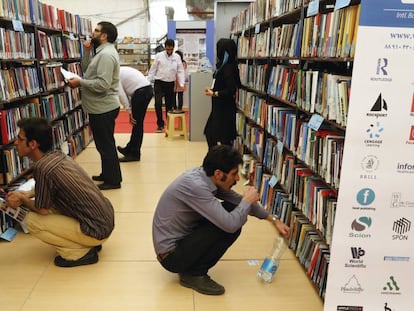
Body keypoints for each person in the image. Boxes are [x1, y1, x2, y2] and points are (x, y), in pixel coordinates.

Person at [152, 145, 290, 295]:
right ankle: (194, 274)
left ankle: (191, 268)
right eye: (234, 174)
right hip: (171, 256)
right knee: (233, 223)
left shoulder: (206, 176)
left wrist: (273, 220)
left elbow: (237, 200)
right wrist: (247, 202)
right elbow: (231, 224)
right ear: (218, 174)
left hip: (182, 241)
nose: (238, 179)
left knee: (233, 209)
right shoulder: (197, 187)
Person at [6, 118, 115, 267]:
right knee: (53, 206)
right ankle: (88, 242)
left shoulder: (42, 168)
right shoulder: (57, 155)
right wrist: (26, 195)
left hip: (96, 230)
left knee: (32, 221)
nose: (16, 143)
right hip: (104, 221)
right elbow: (49, 187)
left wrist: (23, 200)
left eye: (20, 139)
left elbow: (42, 210)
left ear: (33, 144)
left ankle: (80, 252)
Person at [68, 21, 122, 190]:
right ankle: (107, 174)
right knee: (103, 144)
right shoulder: (100, 52)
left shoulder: (106, 55)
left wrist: (80, 83)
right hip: (100, 106)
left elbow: (102, 84)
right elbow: (87, 69)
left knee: (106, 145)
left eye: (96, 31)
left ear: (104, 36)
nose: (93, 33)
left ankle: (113, 180)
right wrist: (86, 52)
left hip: (103, 107)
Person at [204, 38, 241, 149]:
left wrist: (214, 93)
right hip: (218, 108)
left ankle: (220, 162)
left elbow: (231, 90)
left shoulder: (228, 67)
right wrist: (212, 90)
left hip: (224, 109)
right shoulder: (224, 65)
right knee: (211, 134)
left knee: (221, 138)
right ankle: (215, 160)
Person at [117, 66, 154, 162]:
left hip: (141, 92)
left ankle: (134, 153)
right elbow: (128, 93)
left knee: (137, 124)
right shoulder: (121, 70)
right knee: (137, 123)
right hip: (145, 90)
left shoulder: (115, 75)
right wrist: (130, 110)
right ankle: (130, 148)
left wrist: (129, 111)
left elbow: (122, 95)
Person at [147, 39, 185, 132]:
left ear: (173, 48)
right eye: (167, 49)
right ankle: (160, 124)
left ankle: (169, 124)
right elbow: (153, 69)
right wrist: (148, 81)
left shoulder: (177, 57)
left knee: (169, 105)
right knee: (158, 103)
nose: (169, 51)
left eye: (171, 49)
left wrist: (182, 82)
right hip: (159, 82)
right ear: (165, 47)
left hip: (170, 83)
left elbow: (180, 70)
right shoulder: (159, 56)